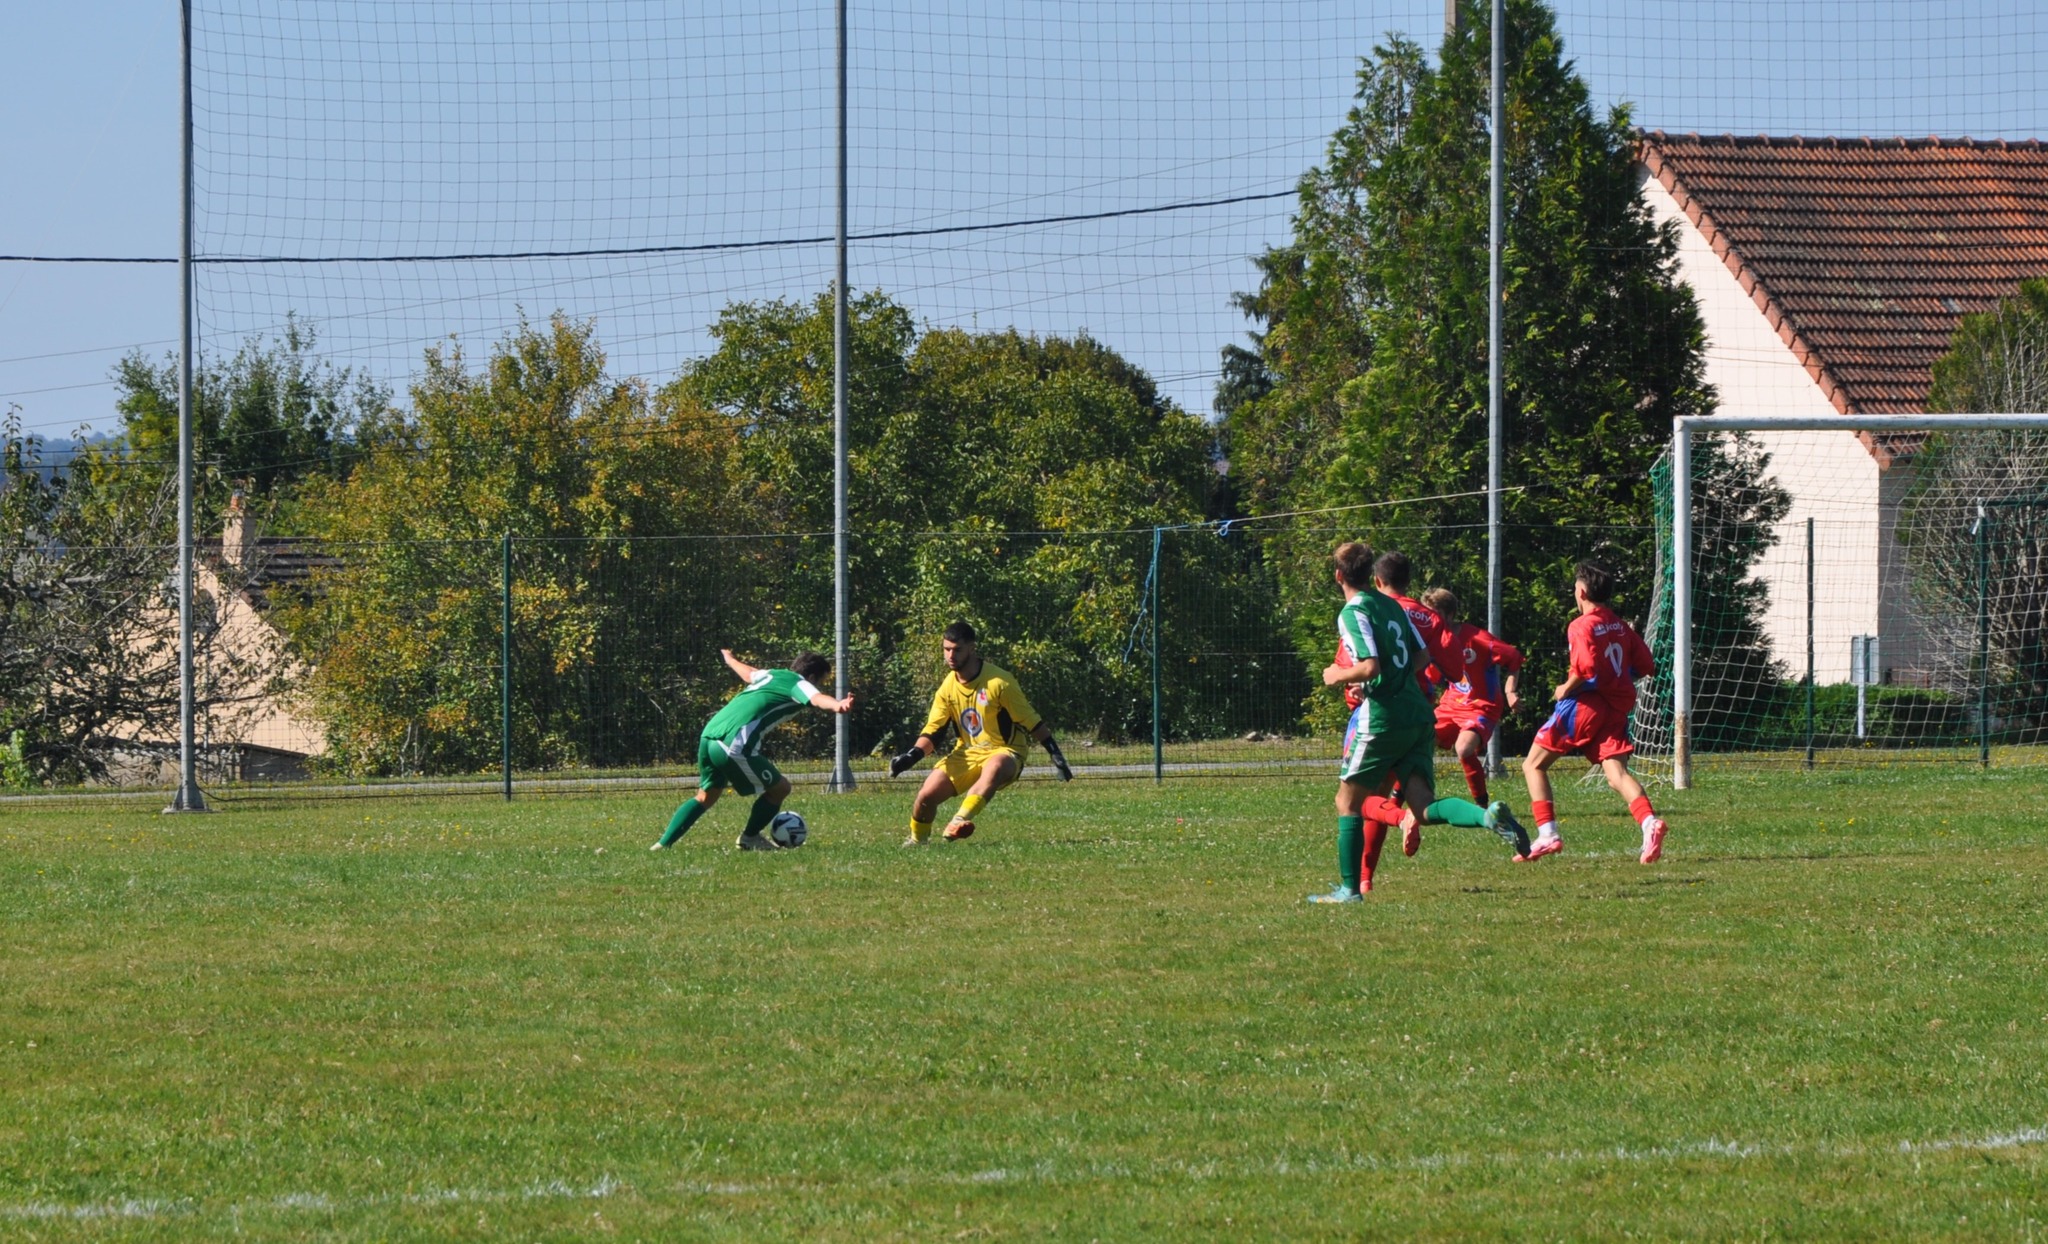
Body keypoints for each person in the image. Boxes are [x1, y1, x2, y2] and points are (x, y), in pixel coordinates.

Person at [1309, 543, 1505, 903]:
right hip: (1418, 714)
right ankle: (1486, 817)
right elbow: (1422, 656)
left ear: (1338, 576)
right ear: (1370, 574)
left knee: (1348, 802)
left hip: (1383, 716)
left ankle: (1350, 889)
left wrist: (1337, 675)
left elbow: (1369, 667)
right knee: (1423, 805)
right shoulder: (1394, 606)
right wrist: (1395, 679)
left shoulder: (1353, 612)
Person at [1519, 561, 1668, 864]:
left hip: (1584, 707)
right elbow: (1646, 665)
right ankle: (1649, 823)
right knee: (1616, 774)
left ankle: (1547, 834)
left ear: (1582, 592)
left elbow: (1585, 668)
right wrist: (1617, 677)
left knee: (1533, 765)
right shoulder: (1619, 625)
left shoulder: (1581, 625)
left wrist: (1565, 687)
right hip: (1615, 708)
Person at [888, 620, 1073, 845]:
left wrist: (1056, 755)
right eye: (946, 649)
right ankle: (917, 842)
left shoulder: (1000, 682)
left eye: (957, 650)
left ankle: (959, 821)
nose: (950, 656)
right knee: (926, 796)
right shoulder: (947, 687)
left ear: (972, 648)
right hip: (967, 753)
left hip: (1006, 751)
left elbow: (1032, 721)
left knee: (995, 765)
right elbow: (934, 731)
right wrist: (911, 756)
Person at [652, 648, 853, 851]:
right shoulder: (800, 684)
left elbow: (748, 673)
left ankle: (662, 845)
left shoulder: (772, 675)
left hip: (710, 735)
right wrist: (838, 705)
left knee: (706, 796)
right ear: (811, 677)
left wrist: (730, 660)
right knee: (780, 789)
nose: (818, 686)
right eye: (820, 682)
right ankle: (749, 838)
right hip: (733, 743)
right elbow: (817, 699)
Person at [1419, 587, 1523, 807]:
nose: (1430, 621)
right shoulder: (1434, 642)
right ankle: (1403, 802)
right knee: (1418, 742)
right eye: (1427, 616)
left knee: (1464, 749)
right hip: (1451, 704)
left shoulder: (1477, 638)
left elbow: (1514, 657)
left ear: (1449, 615)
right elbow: (1432, 678)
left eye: (1434, 615)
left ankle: (1482, 808)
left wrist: (1510, 691)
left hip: (1481, 705)